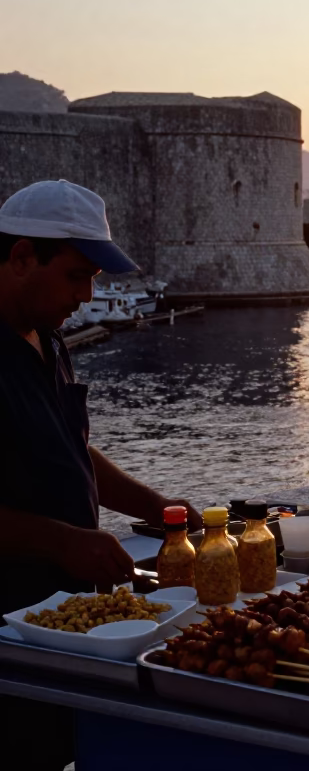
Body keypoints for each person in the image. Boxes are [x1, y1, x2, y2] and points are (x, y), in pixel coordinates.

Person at [0, 180, 201, 770]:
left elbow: (72, 449)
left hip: (59, 625)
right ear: (21, 257)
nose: (86, 296)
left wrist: (156, 506)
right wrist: (62, 541)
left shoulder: (48, 338)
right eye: (76, 276)